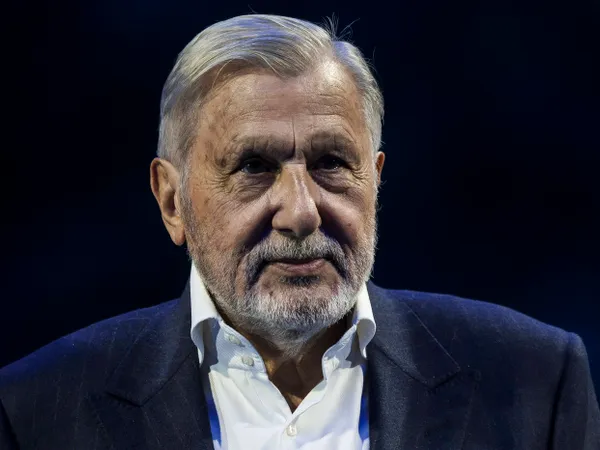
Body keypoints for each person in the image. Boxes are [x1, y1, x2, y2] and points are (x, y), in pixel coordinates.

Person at [1, 13, 598, 450]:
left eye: (332, 163)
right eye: (253, 167)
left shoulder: (535, 381)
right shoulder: (35, 410)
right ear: (171, 202)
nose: (302, 212)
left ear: (376, 180)